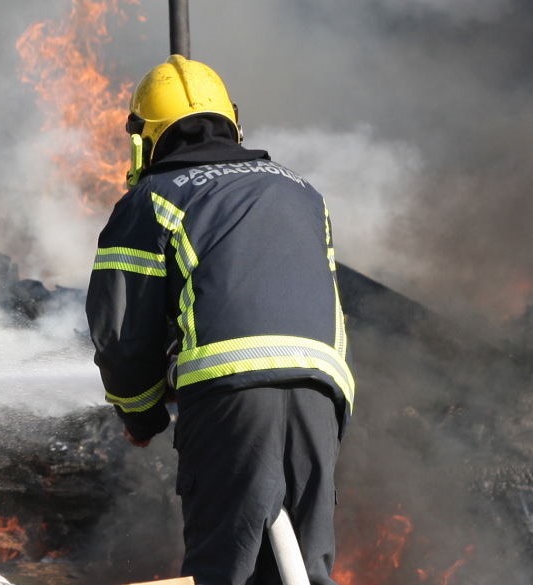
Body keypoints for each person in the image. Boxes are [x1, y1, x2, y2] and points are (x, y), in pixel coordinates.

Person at [85, 55, 354, 585]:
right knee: (302, 567)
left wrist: (141, 417)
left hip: (230, 398)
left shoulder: (153, 199)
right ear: (232, 122)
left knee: (226, 568)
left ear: (145, 139)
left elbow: (121, 335)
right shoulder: (301, 190)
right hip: (320, 391)